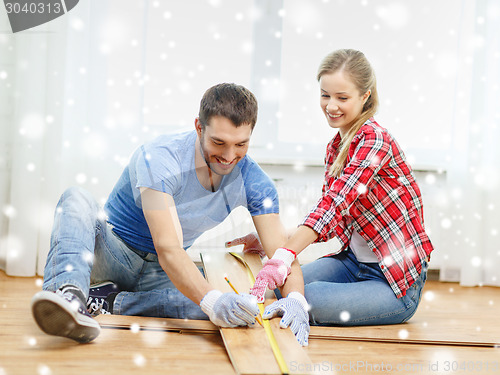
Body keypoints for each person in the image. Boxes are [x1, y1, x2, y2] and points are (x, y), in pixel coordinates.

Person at [31, 83, 308, 345]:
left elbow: (283, 256)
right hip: (115, 254)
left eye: (241, 144)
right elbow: (169, 248)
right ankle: (67, 296)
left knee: (232, 307)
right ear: (199, 127)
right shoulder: (161, 157)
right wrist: (211, 301)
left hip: (161, 274)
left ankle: (110, 301)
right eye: (219, 142)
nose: (229, 155)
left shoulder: (256, 183)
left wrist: (295, 299)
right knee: (75, 198)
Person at [237, 49, 434, 327]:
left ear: (365, 96)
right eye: (325, 95)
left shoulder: (375, 140)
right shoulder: (336, 147)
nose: (331, 106)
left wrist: (283, 253)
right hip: (354, 264)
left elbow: (335, 202)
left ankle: (395, 305)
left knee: (306, 297)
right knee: (285, 286)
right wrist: (275, 238)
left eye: (342, 98)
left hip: (393, 282)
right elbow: (332, 220)